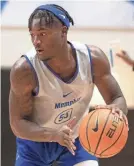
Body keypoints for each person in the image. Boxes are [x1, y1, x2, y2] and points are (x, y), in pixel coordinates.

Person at [9, 4, 128, 166]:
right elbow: (17, 124)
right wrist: (53, 135)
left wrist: (116, 111)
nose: (36, 41)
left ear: (64, 31)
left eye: (42, 33)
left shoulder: (93, 59)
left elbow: (117, 98)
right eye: (32, 35)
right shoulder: (24, 70)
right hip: (35, 143)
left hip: (77, 139)